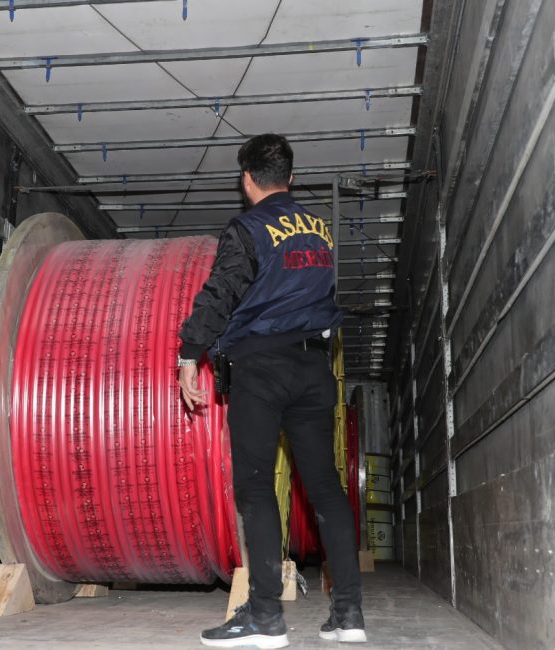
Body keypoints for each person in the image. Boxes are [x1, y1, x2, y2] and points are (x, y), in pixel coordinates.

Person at [178, 134, 366, 648]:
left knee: (256, 487)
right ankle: (348, 614)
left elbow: (220, 294)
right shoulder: (321, 232)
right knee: (326, 488)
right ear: (291, 176)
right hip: (313, 368)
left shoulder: (248, 228)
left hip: (261, 367)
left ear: (246, 179)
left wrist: (188, 354)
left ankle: (265, 619)